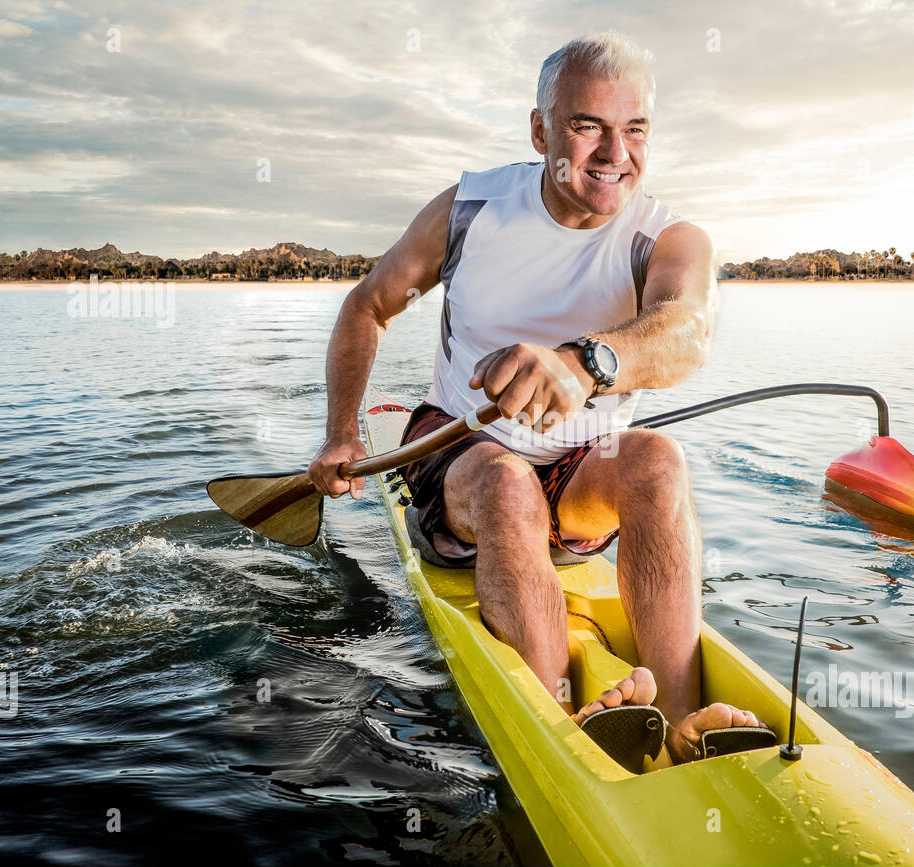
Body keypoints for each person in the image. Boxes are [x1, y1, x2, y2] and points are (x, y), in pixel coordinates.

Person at [308, 31, 768, 765]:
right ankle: (558, 723)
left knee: (657, 461)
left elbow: (688, 333)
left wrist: (588, 362)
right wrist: (340, 435)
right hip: (460, 449)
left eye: (636, 130)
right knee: (504, 481)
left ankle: (683, 719)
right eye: (588, 126)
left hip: (584, 464)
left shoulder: (667, 236)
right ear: (540, 130)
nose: (615, 153)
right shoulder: (471, 208)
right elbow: (369, 305)